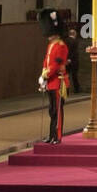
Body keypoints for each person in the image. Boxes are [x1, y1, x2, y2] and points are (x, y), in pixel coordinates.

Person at [37, 9, 70, 144]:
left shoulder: (61, 46)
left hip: (58, 82)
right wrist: (43, 76)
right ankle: (51, 135)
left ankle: (57, 136)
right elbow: (46, 62)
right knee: (52, 111)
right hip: (51, 82)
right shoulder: (51, 45)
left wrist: (45, 76)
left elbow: (56, 66)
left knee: (57, 111)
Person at [66, 27, 82, 94]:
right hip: (74, 61)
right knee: (74, 76)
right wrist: (70, 59)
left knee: (67, 76)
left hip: (66, 61)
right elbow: (74, 52)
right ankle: (77, 89)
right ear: (75, 34)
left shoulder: (65, 41)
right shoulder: (75, 41)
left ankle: (67, 90)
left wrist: (67, 59)